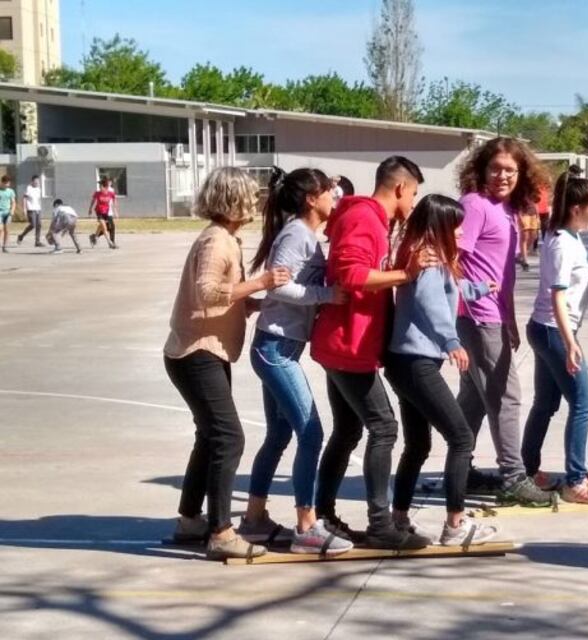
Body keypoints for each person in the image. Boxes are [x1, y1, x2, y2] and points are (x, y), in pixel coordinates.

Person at [163, 167, 292, 560]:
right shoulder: (217, 242)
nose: (255, 201)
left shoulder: (225, 238)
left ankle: (190, 520)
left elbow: (219, 294)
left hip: (206, 350)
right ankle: (220, 532)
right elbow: (205, 292)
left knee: (210, 436)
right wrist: (260, 283)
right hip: (196, 353)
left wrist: (246, 302)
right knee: (229, 437)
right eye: (250, 195)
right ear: (233, 199)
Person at [311, 156, 435, 550]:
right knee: (384, 428)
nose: (412, 203)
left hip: (345, 343)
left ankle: (325, 516)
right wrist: (405, 274)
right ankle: (380, 525)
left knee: (348, 431)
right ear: (400, 187)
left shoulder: (373, 220)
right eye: (413, 194)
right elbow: (350, 275)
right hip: (348, 344)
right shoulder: (364, 218)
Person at [237, 167, 353, 556]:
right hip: (275, 349)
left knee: (280, 434)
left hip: (281, 346)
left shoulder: (305, 234)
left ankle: (254, 520)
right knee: (311, 433)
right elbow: (279, 283)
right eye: (329, 191)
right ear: (311, 198)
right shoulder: (296, 233)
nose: (334, 197)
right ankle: (306, 526)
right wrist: (325, 295)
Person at [385, 194, 500, 545]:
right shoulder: (429, 257)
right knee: (461, 437)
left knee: (418, 444)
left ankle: (399, 518)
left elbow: (451, 288)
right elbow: (431, 302)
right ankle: (455, 525)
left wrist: (480, 288)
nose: (462, 231)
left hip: (404, 361)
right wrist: (451, 341)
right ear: (439, 227)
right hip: (416, 362)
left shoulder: (427, 253)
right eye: (456, 225)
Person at [455, 136, 556, 506]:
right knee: (506, 398)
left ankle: (459, 469)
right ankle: (513, 476)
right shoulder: (475, 205)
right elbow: (453, 260)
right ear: (481, 170)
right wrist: (469, 296)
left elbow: (504, 275)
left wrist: (510, 320)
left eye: (510, 170)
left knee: (475, 399)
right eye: (495, 168)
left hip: (494, 317)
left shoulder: (508, 211)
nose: (502, 175)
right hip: (477, 318)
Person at [521, 173, 588, 504]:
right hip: (552, 330)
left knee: (546, 403)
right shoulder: (562, 243)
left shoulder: (567, 235)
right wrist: (570, 341)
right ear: (577, 208)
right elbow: (558, 296)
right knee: (584, 404)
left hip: (550, 329)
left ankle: (528, 469)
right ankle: (576, 481)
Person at [88, 178, 116, 249]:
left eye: (101, 187)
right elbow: (93, 201)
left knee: (101, 226)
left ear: (106, 187)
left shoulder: (111, 193)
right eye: (99, 187)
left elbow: (114, 201)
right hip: (99, 211)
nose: (100, 188)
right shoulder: (97, 193)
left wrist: (115, 210)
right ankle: (110, 243)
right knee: (104, 227)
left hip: (106, 212)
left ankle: (94, 237)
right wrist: (90, 209)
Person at [17, 175, 43, 248]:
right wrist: (24, 209)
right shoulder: (29, 188)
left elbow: (38, 199)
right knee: (33, 225)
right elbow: (24, 198)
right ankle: (21, 236)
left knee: (39, 225)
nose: (37, 183)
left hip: (38, 209)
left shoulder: (38, 189)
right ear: (32, 181)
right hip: (31, 209)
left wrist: (39, 208)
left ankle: (37, 241)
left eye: (38, 181)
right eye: (36, 181)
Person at [518, 199, 541, 272]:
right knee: (525, 236)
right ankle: (525, 261)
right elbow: (517, 203)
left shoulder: (533, 190)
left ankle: (521, 254)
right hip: (524, 214)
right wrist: (519, 216)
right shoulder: (519, 190)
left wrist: (538, 217)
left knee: (534, 236)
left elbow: (535, 203)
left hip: (533, 215)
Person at [0, 175, 16, 253]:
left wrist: (12, 211)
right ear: (2, 182)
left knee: (7, 229)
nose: (7, 185)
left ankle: (4, 246)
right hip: (0, 212)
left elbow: (13, 202)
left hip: (8, 212)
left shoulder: (10, 191)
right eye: (6, 183)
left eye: (8, 183)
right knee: (0, 228)